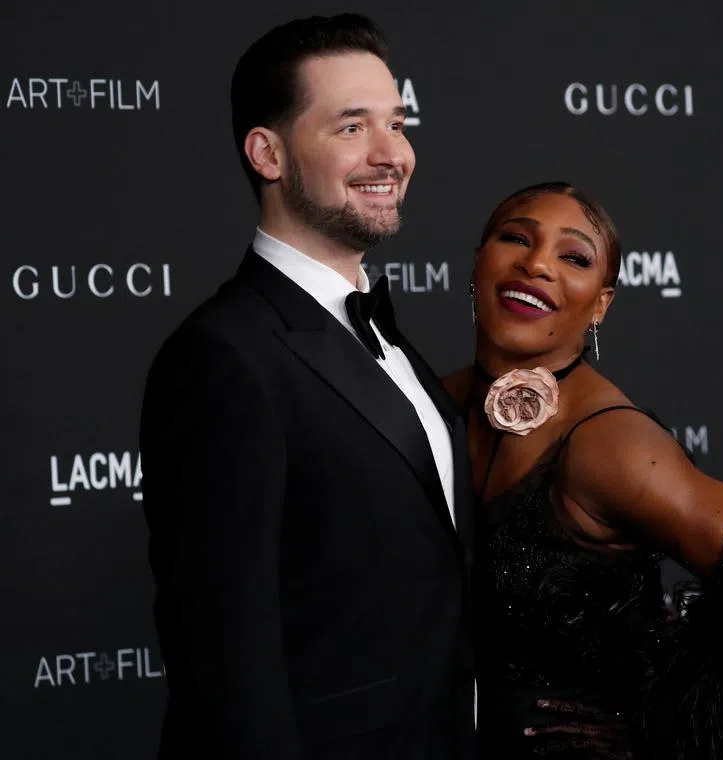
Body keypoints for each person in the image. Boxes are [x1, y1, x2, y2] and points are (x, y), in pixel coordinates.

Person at [139, 14, 474, 759]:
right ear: (268, 152)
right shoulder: (223, 356)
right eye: (352, 128)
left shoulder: (387, 336)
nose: (395, 154)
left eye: (397, 122)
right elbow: (225, 662)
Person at [444, 182, 723, 759]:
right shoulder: (430, 401)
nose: (536, 263)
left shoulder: (608, 442)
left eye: (573, 257)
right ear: (478, 262)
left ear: (601, 303)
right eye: (515, 237)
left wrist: (663, 724)